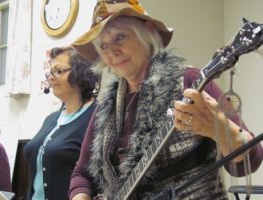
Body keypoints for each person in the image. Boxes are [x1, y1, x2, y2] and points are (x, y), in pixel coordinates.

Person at [69, 1, 263, 200]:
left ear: (148, 31)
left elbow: (251, 159)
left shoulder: (190, 82)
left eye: (120, 37)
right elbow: (82, 174)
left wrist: (221, 130)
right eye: (103, 45)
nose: (112, 52)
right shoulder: (105, 108)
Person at [24, 46, 99, 200]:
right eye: (50, 73)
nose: (51, 78)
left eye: (58, 71)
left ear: (80, 72)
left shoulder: (97, 116)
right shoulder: (51, 119)